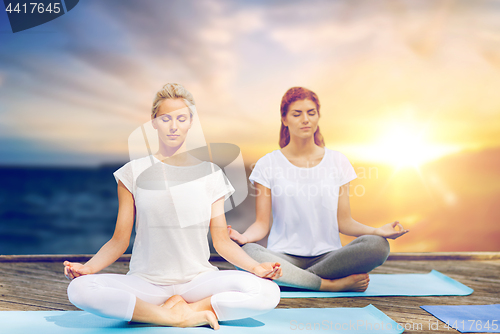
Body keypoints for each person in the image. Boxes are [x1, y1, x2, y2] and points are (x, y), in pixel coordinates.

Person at [63, 83, 281, 330]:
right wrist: (87, 268)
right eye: (166, 118)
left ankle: (187, 309)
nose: (174, 126)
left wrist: (256, 268)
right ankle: (175, 316)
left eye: (181, 118)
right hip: (147, 283)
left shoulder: (211, 174)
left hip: (198, 281)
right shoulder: (132, 173)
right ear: (154, 122)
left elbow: (221, 241)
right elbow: (119, 240)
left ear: (191, 122)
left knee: (268, 291)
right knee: (80, 289)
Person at [228, 86, 408, 292]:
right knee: (247, 252)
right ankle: (329, 284)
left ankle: (293, 280)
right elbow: (261, 224)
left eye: (311, 113)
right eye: (297, 114)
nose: (305, 119)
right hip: (282, 257)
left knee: (378, 246)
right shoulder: (267, 164)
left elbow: (344, 221)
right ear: (284, 120)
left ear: (318, 117)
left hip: (329, 257)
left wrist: (377, 231)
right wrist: (244, 238)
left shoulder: (338, 161)